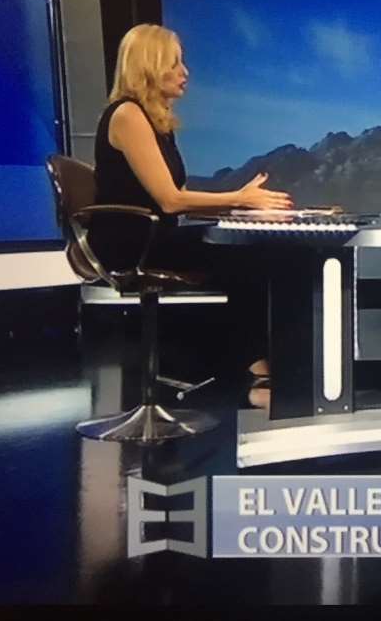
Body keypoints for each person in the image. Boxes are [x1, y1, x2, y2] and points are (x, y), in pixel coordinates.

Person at [87, 23, 292, 410]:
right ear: (149, 67)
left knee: (256, 251)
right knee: (247, 258)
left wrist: (242, 206)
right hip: (130, 242)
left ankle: (257, 365)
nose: (185, 73)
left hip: (153, 233)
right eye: (174, 63)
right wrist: (239, 199)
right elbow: (169, 201)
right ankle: (253, 370)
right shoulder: (128, 115)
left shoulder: (157, 122)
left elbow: (174, 200)